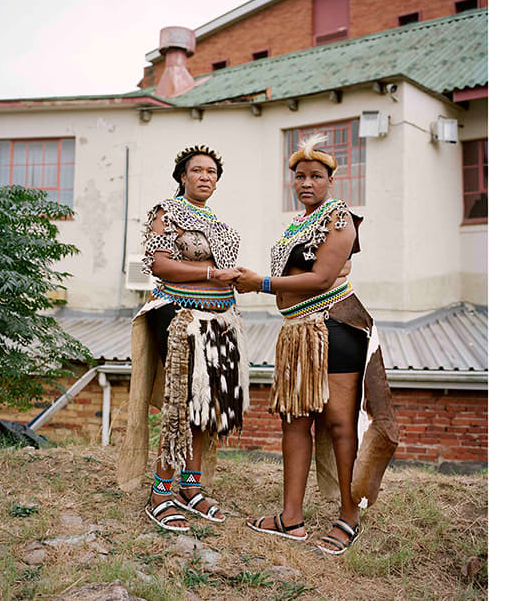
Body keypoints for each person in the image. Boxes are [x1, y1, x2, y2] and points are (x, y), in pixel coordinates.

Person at [235, 134, 399, 556]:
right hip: (296, 333)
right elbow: (291, 283)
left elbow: (323, 278)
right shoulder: (296, 226)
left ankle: (349, 516)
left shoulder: (340, 219)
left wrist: (262, 283)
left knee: (341, 423)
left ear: (330, 180)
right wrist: (250, 280)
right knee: (294, 422)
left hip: (334, 327)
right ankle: (291, 518)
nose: (306, 183)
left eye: (316, 176)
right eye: (300, 177)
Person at [116, 144, 248, 533]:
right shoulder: (167, 212)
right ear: (182, 177)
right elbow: (157, 264)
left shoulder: (220, 225)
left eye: (212, 172)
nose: (205, 177)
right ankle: (160, 494)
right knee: (181, 401)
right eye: (198, 171)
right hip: (178, 313)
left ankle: (190, 487)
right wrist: (210, 275)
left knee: (207, 405)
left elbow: (221, 270)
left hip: (220, 318)